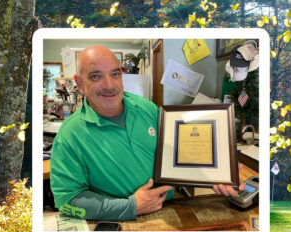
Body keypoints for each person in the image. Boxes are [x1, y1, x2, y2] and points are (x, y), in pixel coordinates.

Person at [51, 45, 243, 221]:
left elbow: (176, 155)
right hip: (123, 223)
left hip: (172, 213)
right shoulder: (70, 137)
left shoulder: (145, 108)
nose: (110, 85)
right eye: (96, 76)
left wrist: (216, 174)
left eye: (115, 74)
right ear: (80, 83)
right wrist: (129, 207)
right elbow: (67, 201)